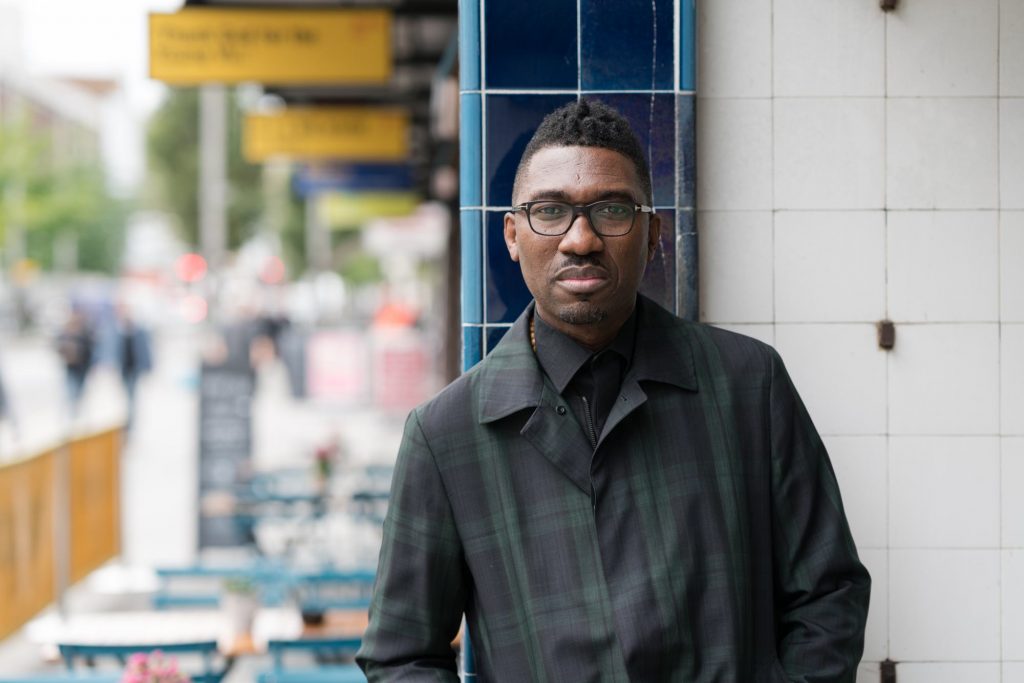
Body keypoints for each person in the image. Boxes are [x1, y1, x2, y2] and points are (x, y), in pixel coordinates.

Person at [357, 99, 870, 681]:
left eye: (611, 209)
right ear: (512, 235)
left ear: (652, 234)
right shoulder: (447, 434)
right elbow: (400, 654)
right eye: (550, 211)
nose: (581, 239)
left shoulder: (748, 384)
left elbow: (829, 593)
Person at [115, 305, 153, 430]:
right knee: (126, 394)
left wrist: (147, 366)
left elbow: (144, 350)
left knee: (131, 394)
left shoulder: (138, 332)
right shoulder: (119, 332)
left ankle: (130, 418)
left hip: (134, 369)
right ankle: (128, 417)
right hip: (124, 369)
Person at [56, 308, 94, 417]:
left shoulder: (84, 332)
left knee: (80, 390)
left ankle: (76, 409)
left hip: (82, 367)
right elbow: (59, 347)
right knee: (71, 389)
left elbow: (89, 349)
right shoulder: (65, 333)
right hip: (70, 366)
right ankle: (72, 411)